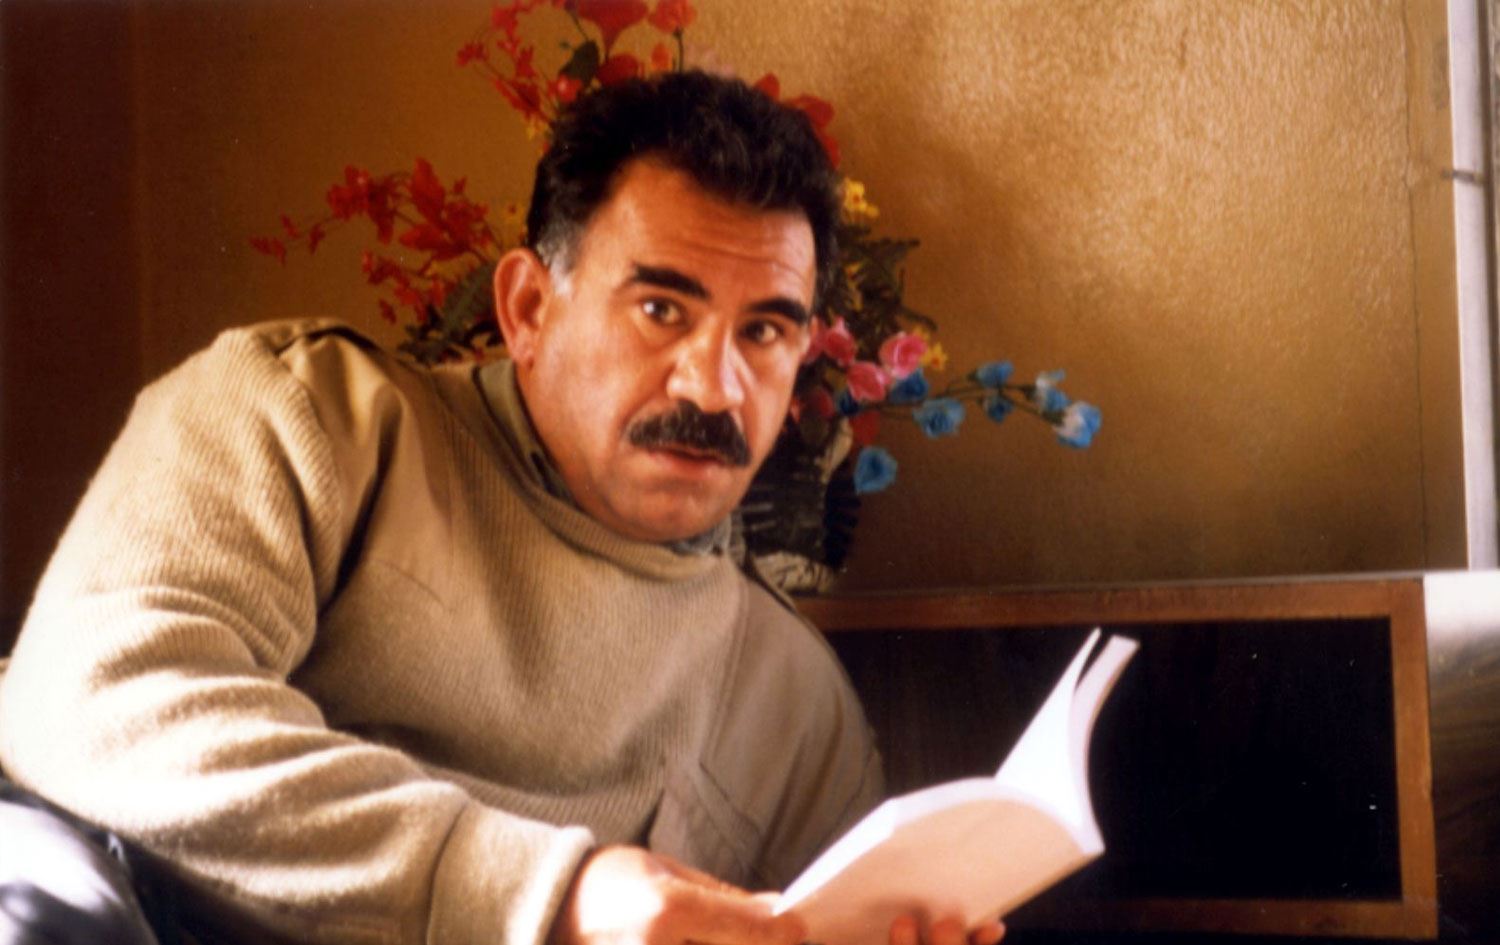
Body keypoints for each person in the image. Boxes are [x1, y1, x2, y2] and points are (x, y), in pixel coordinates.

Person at [0, 72, 1003, 945]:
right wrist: (555, 894)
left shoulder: (798, 710)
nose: (714, 385)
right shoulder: (311, 418)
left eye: (765, 332)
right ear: (526, 309)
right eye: (661, 309)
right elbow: (91, 699)